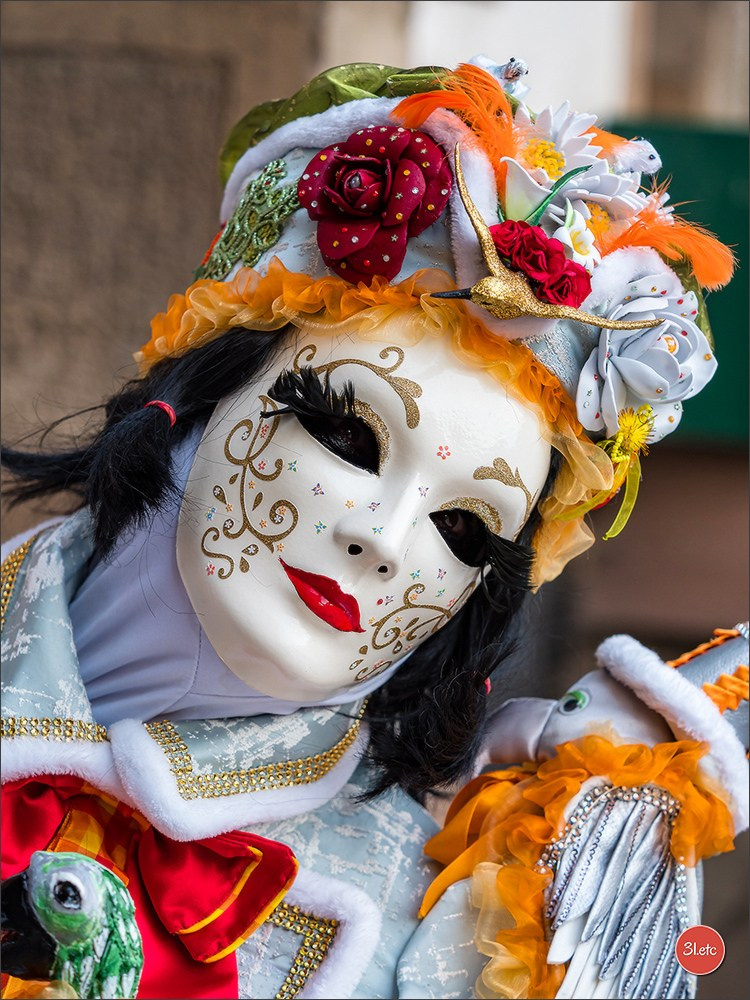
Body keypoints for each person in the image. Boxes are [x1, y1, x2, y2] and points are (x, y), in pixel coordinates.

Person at [1, 58, 741, 999]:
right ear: (205, 388)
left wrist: (591, 887)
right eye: (348, 433)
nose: (385, 541)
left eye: (466, 530)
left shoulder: (428, 930)